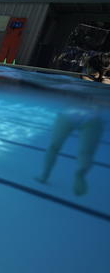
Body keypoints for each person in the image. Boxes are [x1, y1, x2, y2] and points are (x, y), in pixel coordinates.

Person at [35, 53, 109, 195]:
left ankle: (44, 175)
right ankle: (80, 174)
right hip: (92, 117)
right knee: (86, 153)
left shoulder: (80, 77)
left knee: (54, 146)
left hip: (70, 113)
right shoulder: (104, 82)